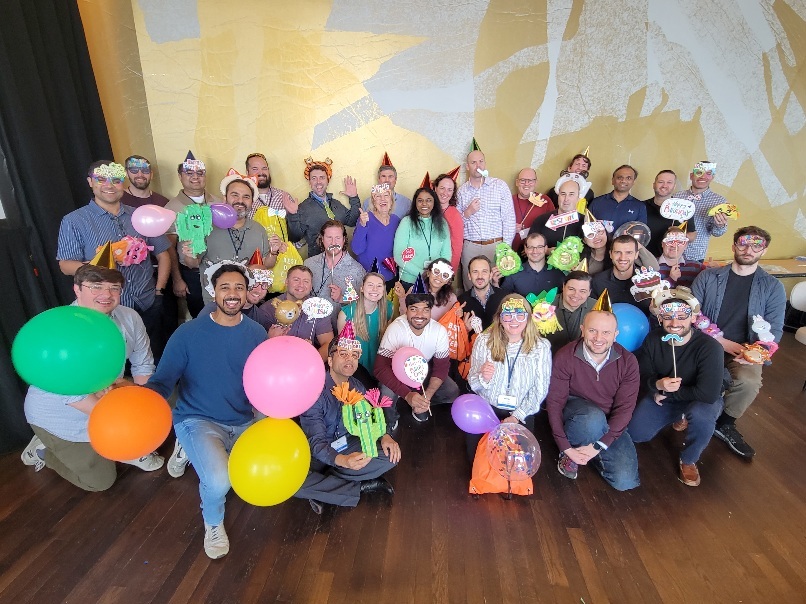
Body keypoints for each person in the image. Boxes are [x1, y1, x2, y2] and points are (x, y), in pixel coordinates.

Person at [145, 264, 265, 559]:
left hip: (244, 419)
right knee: (220, 481)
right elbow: (163, 381)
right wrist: (141, 400)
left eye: (239, 287)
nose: (233, 294)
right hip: (198, 418)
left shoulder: (257, 333)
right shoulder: (188, 333)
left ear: (247, 293)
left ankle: (191, 451)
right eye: (225, 287)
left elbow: (264, 382)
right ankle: (213, 523)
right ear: (213, 292)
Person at [21, 264, 163, 489]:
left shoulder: (130, 318)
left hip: (106, 396)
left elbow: (143, 365)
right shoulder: (62, 327)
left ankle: (123, 448)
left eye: (114, 288)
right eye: (96, 286)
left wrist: (146, 403)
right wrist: (125, 418)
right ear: (77, 289)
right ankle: (42, 450)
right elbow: (68, 393)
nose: (106, 295)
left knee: (164, 400)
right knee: (100, 482)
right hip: (62, 416)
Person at [57, 160, 171, 358]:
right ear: (90, 182)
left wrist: (159, 291)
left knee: (153, 357)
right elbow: (65, 265)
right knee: (113, 362)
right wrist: (103, 260)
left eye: (116, 180)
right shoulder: (74, 220)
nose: (109, 185)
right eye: (101, 179)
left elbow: (163, 254)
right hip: (106, 307)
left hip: (147, 302)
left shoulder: (139, 215)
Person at [691, 226, 785, 459]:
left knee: (749, 382)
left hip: (746, 350)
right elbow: (691, 312)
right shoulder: (708, 277)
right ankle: (686, 413)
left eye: (756, 245)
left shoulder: (773, 287)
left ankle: (724, 423)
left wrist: (757, 354)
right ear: (734, 246)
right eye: (743, 243)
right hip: (706, 343)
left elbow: (774, 330)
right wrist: (720, 341)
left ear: (764, 250)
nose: (748, 249)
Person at [628, 288, 724, 486]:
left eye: (681, 316)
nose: (674, 323)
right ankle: (678, 416)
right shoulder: (654, 339)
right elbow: (643, 373)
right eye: (668, 316)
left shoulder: (710, 347)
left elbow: (708, 393)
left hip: (699, 400)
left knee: (701, 416)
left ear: (693, 318)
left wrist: (666, 392)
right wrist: (656, 385)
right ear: (660, 318)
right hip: (665, 396)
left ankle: (689, 459)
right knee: (636, 434)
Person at [296, 331, 399, 514]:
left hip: (346, 443)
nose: (349, 359)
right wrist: (343, 460)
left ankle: (326, 486)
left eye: (354, 355)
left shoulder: (357, 386)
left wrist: (385, 435)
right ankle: (358, 487)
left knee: (390, 456)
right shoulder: (314, 390)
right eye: (343, 354)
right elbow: (316, 443)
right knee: (294, 483)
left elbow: (369, 420)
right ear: (329, 360)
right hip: (315, 453)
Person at [545, 306, 641, 491]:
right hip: (577, 413)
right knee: (591, 418)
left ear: (616, 334)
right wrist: (565, 446)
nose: (598, 338)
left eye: (606, 332)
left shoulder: (628, 362)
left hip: (607, 420)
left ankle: (588, 452)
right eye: (592, 331)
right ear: (582, 329)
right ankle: (573, 451)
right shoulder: (565, 355)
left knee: (624, 482)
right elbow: (555, 403)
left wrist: (599, 446)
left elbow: (625, 409)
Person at [466, 294, 551, 459]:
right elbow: (472, 382)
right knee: (477, 462)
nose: (514, 320)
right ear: (499, 318)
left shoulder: (540, 347)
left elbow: (540, 389)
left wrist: (517, 416)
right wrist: (483, 377)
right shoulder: (483, 341)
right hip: (487, 409)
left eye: (520, 314)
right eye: (508, 315)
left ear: (528, 318)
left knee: (515, 464)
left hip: (520, 413)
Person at [179, 172, 276, 303]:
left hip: (247, 302)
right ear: (225, 199)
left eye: (246, 197)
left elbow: (266, 264)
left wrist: (274, 252)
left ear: (252, 202)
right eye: (234, 195)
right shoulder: (206, 227)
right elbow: (193, 264)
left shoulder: (258, 229)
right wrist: (190, 254)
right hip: (214, 302)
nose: (240, 201)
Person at [375, 285, 459, 425]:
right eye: (414, 309)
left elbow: (441, 368)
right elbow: (380, 368)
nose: (420, 315)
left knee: (452, 391)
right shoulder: (396, 329)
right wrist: (407, 395)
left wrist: (427, 397)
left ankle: (420, 404)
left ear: (430, 311)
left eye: (425, 310)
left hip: (422, 371)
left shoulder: (439, 331)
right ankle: (390, 422)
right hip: (395, 372)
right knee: (387, 396)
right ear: (406, 310)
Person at [164, 151, 222, 317]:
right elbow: (170, 248)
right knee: (200, 315)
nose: (195, 177)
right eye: (189, 173)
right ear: (180, 176)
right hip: (192, 273)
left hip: (219, 269)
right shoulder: (172, 208)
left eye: (200, 173)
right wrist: (177, 279)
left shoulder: (217, 202)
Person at [456, 150, 516, 289]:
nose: (478, 165)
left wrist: (505, 249)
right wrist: (468, 212)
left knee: (495, 286)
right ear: (467, 166)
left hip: (495, 246)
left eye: (481, 161)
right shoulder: (461, 191)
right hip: (471, 246)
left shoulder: (499, 186)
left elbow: (509, 219)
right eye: (473, 162)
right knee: (471, 287)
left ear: (485, 163)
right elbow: (457, 224)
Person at [288, 159, 360, 256]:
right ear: (309, 182)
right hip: (317, 263)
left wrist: (354, 198)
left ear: (327, 181)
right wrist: (293, 215)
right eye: (314, 178)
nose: (318, 182)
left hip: (340, 261)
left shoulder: (336, 204)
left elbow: (353, 221)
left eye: (322, 177)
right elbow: (295, 238)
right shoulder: (302, 208)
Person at [261, 265, 335, 360]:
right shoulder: (268, 308)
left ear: (311, 286)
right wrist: (269, 339)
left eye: (306, 281)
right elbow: (256, 344)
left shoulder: (318, 308)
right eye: (296, 280)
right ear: (286, 282)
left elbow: (328, 343)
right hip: (275, 362)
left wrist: (311, 359)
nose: (301, 285)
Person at [337, 272, 393, 382]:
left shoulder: (389, 308)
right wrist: (348, 338)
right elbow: (340, 351)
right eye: (370, 285)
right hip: (357, 372)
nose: (374, 289)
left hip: (381, 368)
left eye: (379, 286)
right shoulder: (346, 314)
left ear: (383, 290)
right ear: (362, 288)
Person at [393, 187, 451, 287]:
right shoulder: (406, 222)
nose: (424, 204)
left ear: (434, 203)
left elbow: (446, 253)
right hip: (410, 280)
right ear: (415, 203)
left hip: (435, 281)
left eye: (428, 200)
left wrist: (437, 274)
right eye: (420, 201)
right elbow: (399, 256)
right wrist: (425, 274)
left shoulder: (442, 223)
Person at [671, 161, 729, 262]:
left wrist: (720, 225)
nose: (703, 177)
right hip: (672, 251)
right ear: (691, 176)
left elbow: (716, 233)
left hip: (695, 255)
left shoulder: (719, 202)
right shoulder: (677, 197)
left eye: (708, 173)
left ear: (712, 177)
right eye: (699, 172)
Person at [305, 220, 366, 304]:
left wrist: (342, 298)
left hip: (342, 316)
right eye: (329, 237)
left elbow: (363, 302)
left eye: (338, 238)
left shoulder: (357, 270)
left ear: (344, 239)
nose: (333, 242)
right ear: (322, 239)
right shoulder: (309, 264)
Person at [352, 183, 401, 284]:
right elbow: (356, 250)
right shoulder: (365, 219)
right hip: (368, 277)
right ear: (373, 202)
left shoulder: (396, 220)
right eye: (378, 196)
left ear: (391, 201)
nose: (382, 199)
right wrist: (362, 225)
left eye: (386, 195)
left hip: (389, 276)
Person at [590, 235, 651, 315]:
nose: (622, 258)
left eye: (628, 253)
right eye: (618, 252)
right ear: (611, 254)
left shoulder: (649, 281)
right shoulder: (597, 281)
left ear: (636, 255)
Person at [643, 170, 696, 257]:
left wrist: (678, 235)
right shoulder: (641, 206)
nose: (664, 185)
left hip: (670, 261)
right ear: (654, 185)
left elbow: (692, 235)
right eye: (661, 182)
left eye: (669, 182)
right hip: (644, 260)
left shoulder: (684, 208)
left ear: (674, 186)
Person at [529, 173, 588, 249]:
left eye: (571, 194)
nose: (566, 199)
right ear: (558, 196)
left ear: (579, 197)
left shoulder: (585, 223)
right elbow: (530, 248)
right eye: (563, 194)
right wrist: (546, 251)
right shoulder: (541, 220)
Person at [498, 232, 564, 297]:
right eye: (531, 247)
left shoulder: (558, 273)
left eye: (539, 247)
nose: (535, 251)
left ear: (546, 248)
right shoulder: (513, 273)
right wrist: (495, 283)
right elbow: (503, 299)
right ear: (525, 249)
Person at [545, 271, 595, 353]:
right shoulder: (545, 306)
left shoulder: (597, 308)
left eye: (582, 291)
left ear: (589, 292)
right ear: (563, 287)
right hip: (550, 357)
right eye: (571, 289)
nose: (576, 295)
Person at [588, 165, 647, 231]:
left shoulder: (639, 207)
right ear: (613, 180)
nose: (623, 181)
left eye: (629, 178)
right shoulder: (596, 202)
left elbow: (639, 232)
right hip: (599, 241)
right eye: (619, 177)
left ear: (633, 182)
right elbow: (587, 228)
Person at [457, 255, 508, 329]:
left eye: (484, 271)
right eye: (475, 272)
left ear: (490, 275)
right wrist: (465, 330)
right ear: (469, 276)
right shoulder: (461, 302)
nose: (480, 276)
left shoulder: (505, 298)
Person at [511, 167, 554, 252]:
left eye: (530, 181)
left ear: (536, 183)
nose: (526, 184)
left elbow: (553, 227)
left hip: (535, 252)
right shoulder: (508, 200)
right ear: (517, 182)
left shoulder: (545, 200)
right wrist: (509, 228)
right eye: (523, 180)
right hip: (510, 250)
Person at [244, 152, 297, 218]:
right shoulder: (243, 200)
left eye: (264, 168)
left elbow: (296, 227)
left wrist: (294, 214)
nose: (261, 172)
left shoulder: (283, 197)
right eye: (255, 169)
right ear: (247, 172)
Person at [433, 173, 464, 274]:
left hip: (443, 267)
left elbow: (457, 247)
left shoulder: (454, 215)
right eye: (442, 188)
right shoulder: (427, 209)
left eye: (450, 190)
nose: (445, 193)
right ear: (435, 188)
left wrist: (450, 271)